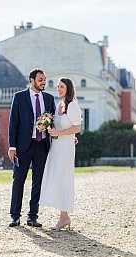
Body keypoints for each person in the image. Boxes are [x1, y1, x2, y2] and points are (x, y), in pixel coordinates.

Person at [8, 68, 56, 227]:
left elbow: (53, 122)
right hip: (23, 146)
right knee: (18, 180)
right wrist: (12, 146)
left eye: (45, 79)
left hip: (42, 145)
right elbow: (13, 123)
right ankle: (15, 216)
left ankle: (32, 216)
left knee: (38, 181)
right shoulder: (19, 97)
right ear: (32, 80)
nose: (44, 82)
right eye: (40, 79)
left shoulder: (49, 99)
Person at [39, 77, 82, 230]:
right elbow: (65, 126)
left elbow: (77, 128)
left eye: (61, 86)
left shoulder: (73, 106)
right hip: (57, 146)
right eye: (57, 86)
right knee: (55, 178)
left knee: (63, 179)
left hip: (65, 149)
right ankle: (64, 216)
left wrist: (62, 133)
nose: (58, 89)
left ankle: (64, 217)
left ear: (68, 88)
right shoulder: (60, 105)